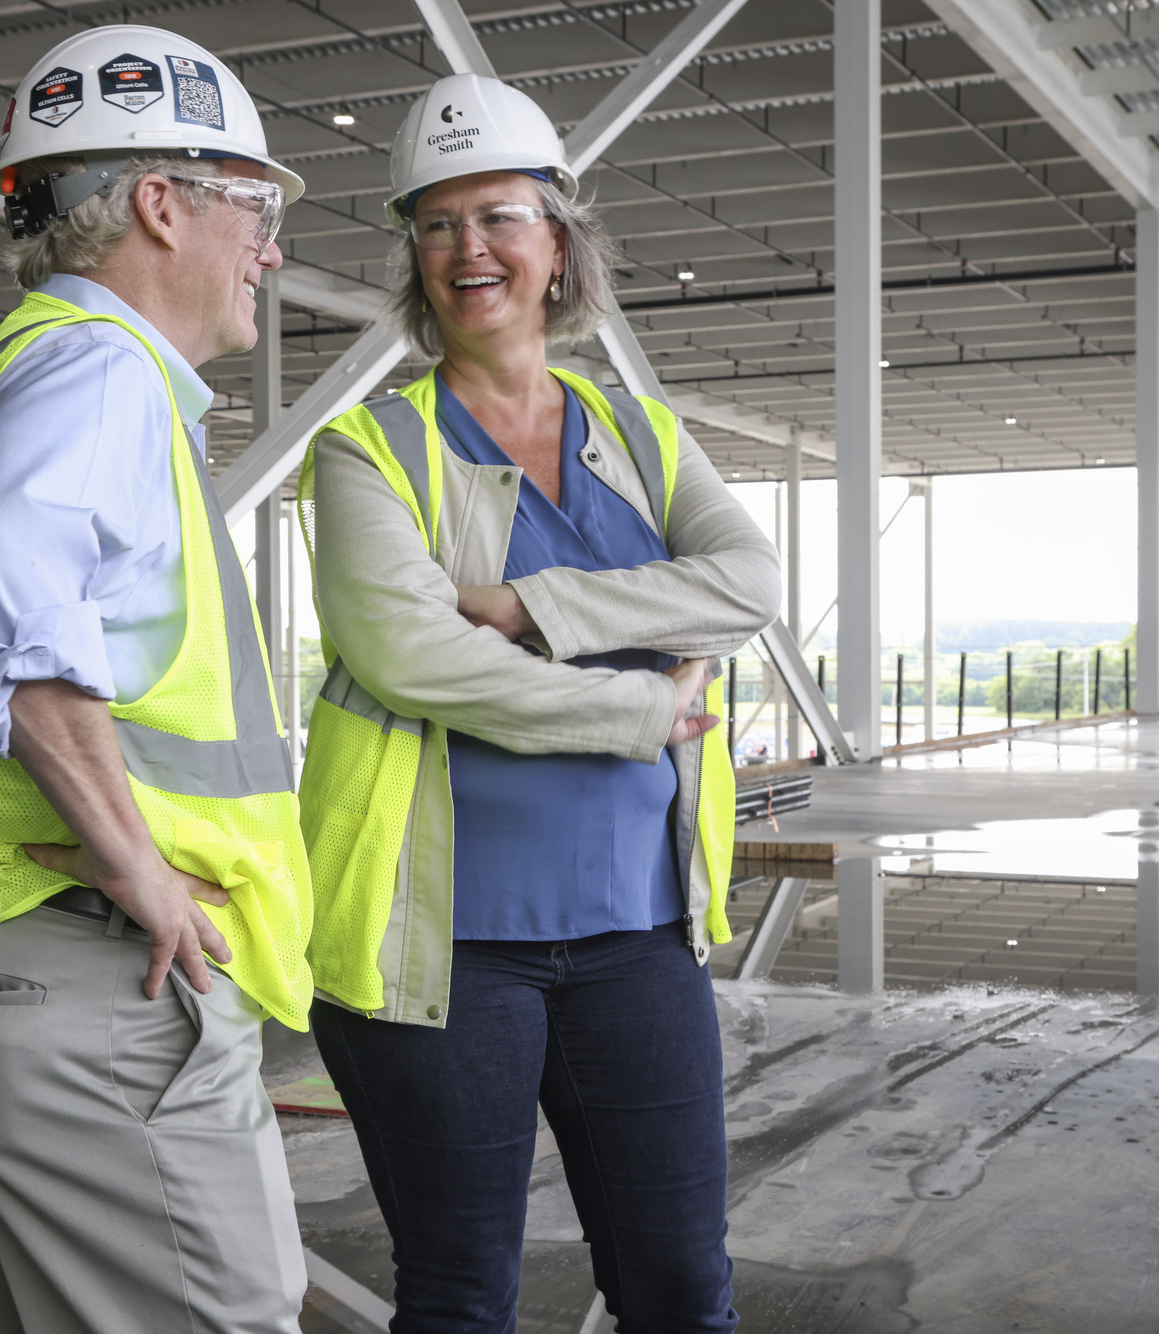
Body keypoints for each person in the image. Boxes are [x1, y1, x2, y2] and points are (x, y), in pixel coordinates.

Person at [0, 26, 312, 1334]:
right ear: (162, 201)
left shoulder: (39, 364)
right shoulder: (97, 371)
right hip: (90, 959)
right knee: (215, 1309)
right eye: (258, 210)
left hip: (0, 944)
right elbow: (3, 614)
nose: (270, 250)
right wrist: (140, 864)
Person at [297, 73, 781, 1333]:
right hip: (440, 950)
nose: (470, 250)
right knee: (461, 1295)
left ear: (557, 241)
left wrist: (527, 607)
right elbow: (411, 658)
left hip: (635, 935)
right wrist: (637, 711)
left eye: (499, 216)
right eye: (437, 223)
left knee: (682, 1282)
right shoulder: (367, 451)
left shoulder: (644, 434)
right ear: (413, 254)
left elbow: (748, 584)